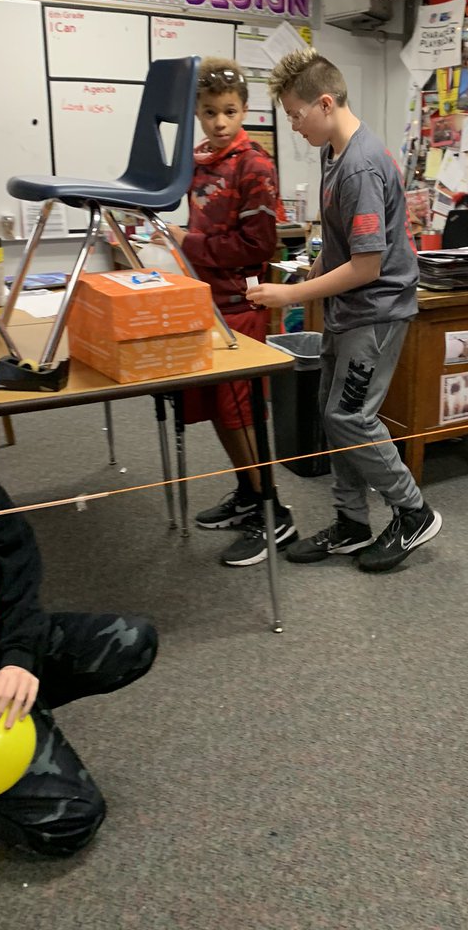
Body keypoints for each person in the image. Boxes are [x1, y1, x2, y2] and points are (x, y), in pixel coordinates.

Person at [251, 49, 442, 573]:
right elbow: (341, 246)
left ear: (326, 103)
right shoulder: (333, 152)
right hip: (347, 309)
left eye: (295, 114)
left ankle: (413, 511)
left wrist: (290, 297)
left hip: (375, 312)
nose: (293, 126)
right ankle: (352, 523)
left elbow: (367, 266)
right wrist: (311, 272)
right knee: (334, 416)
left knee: (349, 415)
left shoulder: (360, 166)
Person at [0, 360, 157, 856]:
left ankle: (29, 719)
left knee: (132, 641)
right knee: (72, 822)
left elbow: (18, 563)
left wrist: (17, 657)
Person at [158, 57, 294, 567]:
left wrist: (188, 241)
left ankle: (274, 511)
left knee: (243, 415)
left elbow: (257, 243)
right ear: (197, 111)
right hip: (205, 303)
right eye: (210, 112)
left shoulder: (254, 165)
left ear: (245, 110)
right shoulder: (197, 162)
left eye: (229, 111)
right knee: (218, 409)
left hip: (240, 307)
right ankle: (247, 491)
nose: (219, 122)